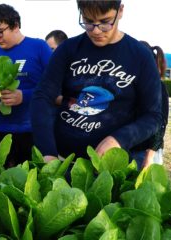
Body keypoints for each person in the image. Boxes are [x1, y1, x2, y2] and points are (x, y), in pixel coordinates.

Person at [31, 0, 163, 166]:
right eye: (88, 21)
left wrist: (119, 138)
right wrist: (47, 153)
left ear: (120, 11)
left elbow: (153, 116)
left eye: (105, 22)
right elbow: (42, 96)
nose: (96, 30)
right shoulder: (68, 49)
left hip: (110, 165)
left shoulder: (140, 56)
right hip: (63, 159)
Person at [0, 4, 52, 167]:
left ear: (15, 26)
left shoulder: (39, 47)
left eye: (0, 32)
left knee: (31, 183)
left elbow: (54, 88)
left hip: (31, 129)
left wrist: (24, 96)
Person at [130, 41, 169, 167]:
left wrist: (149, 157)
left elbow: (160, 122)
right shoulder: (132, 85)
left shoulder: (157, 85)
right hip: (129, 149)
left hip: (146, 153)